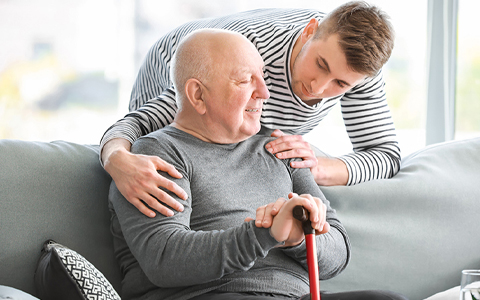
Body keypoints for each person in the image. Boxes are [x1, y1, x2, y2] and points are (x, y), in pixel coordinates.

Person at [108, 29, 407, 300]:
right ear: (198, 95)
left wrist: (297, 237)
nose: (264, 93)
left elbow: (338, 253)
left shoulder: (279, 147)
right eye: (244, 80)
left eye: (262, 75)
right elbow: (165, 260)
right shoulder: (153, 157)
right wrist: (266, 234)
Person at [102, 1, 401, 218]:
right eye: (321, 65)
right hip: (175, 60)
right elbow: (136, 124)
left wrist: (320, 167)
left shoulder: (360, 71)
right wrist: (117, 159)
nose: (319, 87)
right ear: (310, 31)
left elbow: (386, 155)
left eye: (340, 83)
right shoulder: (251, 54)